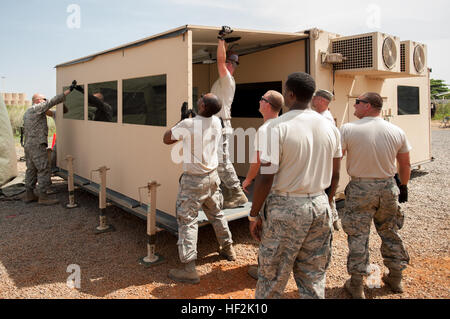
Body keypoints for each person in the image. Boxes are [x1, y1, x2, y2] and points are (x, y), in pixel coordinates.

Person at [248, 72, 342, 299]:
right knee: (313, 276)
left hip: (286, 206)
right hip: (320, 205)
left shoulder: (276, 127)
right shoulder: (330, 126)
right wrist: (326, 204)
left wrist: (254, 214)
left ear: (290, 94)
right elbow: (336, 174)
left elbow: (266, 176)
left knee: (272, 278)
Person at [340, 92, 411, 299]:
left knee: (358, 235)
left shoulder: (349, 129)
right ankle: (396, 277)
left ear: (368, 106)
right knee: (390, 231)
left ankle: (356, 285)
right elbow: (405, 163)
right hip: (389, 187)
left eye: (358, 102)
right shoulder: (396, 130)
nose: (354, 105)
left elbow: (336, 157)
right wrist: (404, 186)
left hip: (361, 188)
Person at [163, 93, 236, 284]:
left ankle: (189, 269)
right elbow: (203, 124)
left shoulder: (188, 125)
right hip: (212, 178)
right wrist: (192, 119)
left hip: (193, 181)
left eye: (202, 98)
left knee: (187, 221)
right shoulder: (217, 122)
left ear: (202, 105)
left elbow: (167, 139)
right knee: (216, 214)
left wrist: (181, 120)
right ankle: (228, 249)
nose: (200, 97)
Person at [241, 90, 283, 280]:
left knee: (267, 230)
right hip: (289, 189)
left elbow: (257, 162)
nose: (259, 101)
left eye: (261, 99)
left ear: (267, 104)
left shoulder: (266, 129)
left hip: (272, 189)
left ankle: (265, 270)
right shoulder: (286, 125)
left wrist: (249, 179)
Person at [211, 29, 248, 209]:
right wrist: (224, 44)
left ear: (230, 65)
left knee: (222, 162)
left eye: (226, 62)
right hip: (216, 125)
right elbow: (221, 59)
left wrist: (220, 40)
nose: (222, 65)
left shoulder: (227, 80)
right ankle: (228, 191)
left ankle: (237, 193)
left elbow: (219, 60)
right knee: (216, 161)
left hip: (221, 124)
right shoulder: (223, 81)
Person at [23, 87, 73, 205]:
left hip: (29, 145)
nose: (46, 101)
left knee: (31, 169)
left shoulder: (29, 111)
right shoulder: (37, 108)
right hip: (37, 145)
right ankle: (43, 196)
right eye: (44, 99)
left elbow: (56, 112)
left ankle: (29, 194)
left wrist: (63, 106)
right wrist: (69, 90)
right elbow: (52, 102)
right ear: (38, 100)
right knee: (44, 169)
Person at [311, 89, 341, 231]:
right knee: (328, 195)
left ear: (322, 101)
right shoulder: (321, 116)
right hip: (325, 164)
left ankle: (330, 222)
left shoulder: (325, 119)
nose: (312, 100)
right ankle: (333, 220)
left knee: (326, 195)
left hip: (324, 164)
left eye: (315, 98)